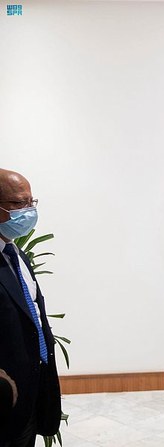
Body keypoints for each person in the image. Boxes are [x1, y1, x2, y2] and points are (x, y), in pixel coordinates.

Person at [0, 169, 61, 447]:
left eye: (31, 202)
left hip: (30, 394)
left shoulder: (15, 254)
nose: (28, 211)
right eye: (18, 203)